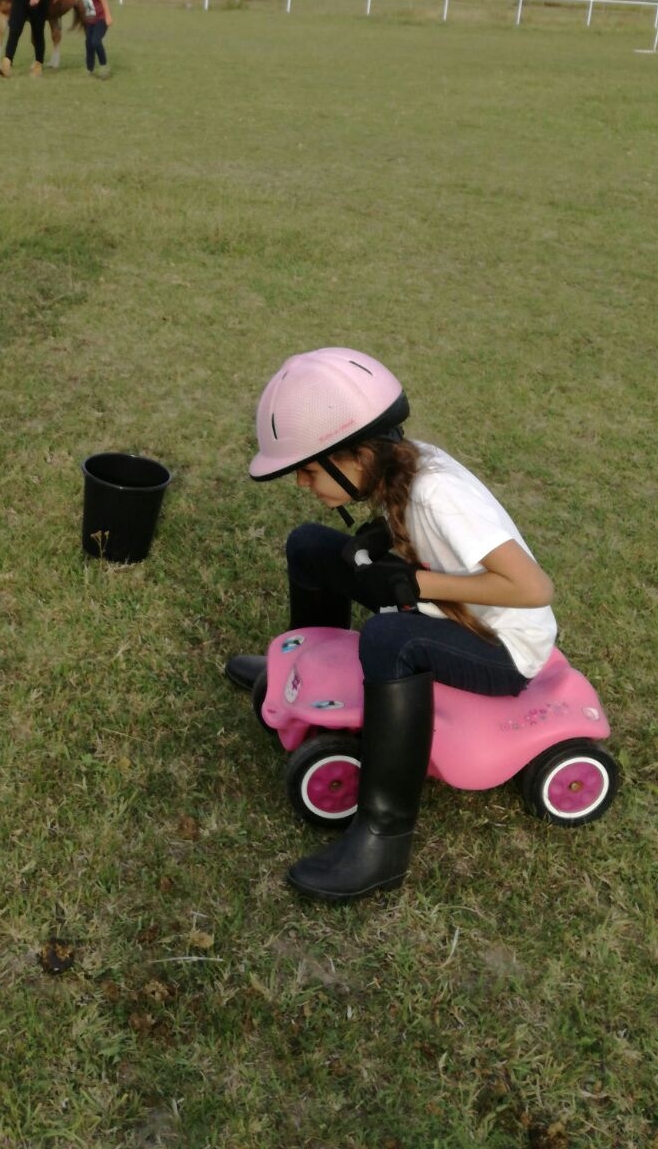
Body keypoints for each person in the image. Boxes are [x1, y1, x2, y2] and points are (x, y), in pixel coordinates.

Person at [227, 348, 557, 903]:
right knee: (310, 545)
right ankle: (299, 672)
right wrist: (377, 543)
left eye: (309, 470)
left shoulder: (438, 495)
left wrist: (418, 586)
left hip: (500, 645)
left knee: (389, 638)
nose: (302, 484)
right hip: (451, 613)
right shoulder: (398, 464)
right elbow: (405, 530)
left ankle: (383, 837)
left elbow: (533, 589)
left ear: (355, 455)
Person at [73, 0, 113, 78]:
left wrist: (108, 16)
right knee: (88, 44)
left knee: (95, 42)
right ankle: (89, 69)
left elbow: (103, 0)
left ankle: (104, 66)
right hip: (90, 20)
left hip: (101, 19)